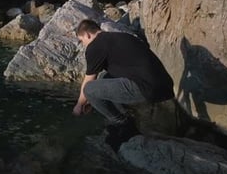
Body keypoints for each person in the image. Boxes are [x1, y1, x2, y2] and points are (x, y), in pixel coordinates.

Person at [72, 19, 175, 151]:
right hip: (164, 85)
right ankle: (126, 114)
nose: (83, 44)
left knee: (89, 89)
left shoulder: (95, 46)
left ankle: (122, 123)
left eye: (81, 41)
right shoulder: (121, 36)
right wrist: (93, 101)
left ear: (87, 34)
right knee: (105, 78)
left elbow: (89, 80)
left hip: (147, 88)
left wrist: (79, 105)